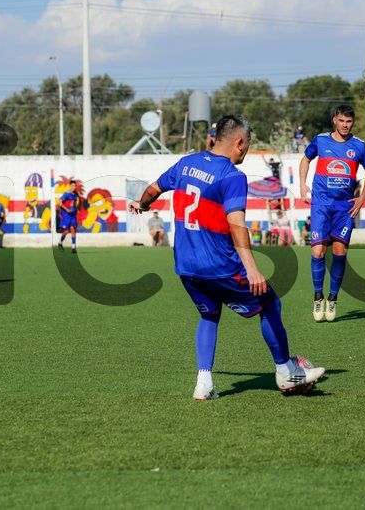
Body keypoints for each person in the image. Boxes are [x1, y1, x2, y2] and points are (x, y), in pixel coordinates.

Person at [129, 114, 325, 401]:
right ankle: (286, 372)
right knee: (270, 302)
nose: (247, 149)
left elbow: (153, 190)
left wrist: (142, 205)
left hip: (186, 266)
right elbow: (237, 225)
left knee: (209, 314)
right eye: (249, 143)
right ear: (239, 142)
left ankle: (204, 383)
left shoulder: (186, 163)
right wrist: (252, 269)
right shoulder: (232, 176)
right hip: (220, 266)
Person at [299, 105, 365, 322]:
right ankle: (318, 296)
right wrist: (302, 185)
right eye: (341, 121)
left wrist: (362, 197)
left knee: (340, 252)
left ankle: (332, 298)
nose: (345, 125)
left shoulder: (359, 146)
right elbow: (306, 159)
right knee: (318, 252)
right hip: (321, 204)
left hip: (344, 207)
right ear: (334, 120)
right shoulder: (321, 141)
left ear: (353, 122)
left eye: (349, 121)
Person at [58, 180, 81, 253]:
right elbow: (59, 202)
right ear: (70, 186)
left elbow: (76, 203)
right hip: (66, 215)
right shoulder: (66, 194)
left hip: (73, 214)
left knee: (73, 229)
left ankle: (73, 247)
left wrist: (76, 208)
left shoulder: (76, 195)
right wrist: (66, 209)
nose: (73, 187)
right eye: (72, 185)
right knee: (66, 231)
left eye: (74, 186)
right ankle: (60, 243)